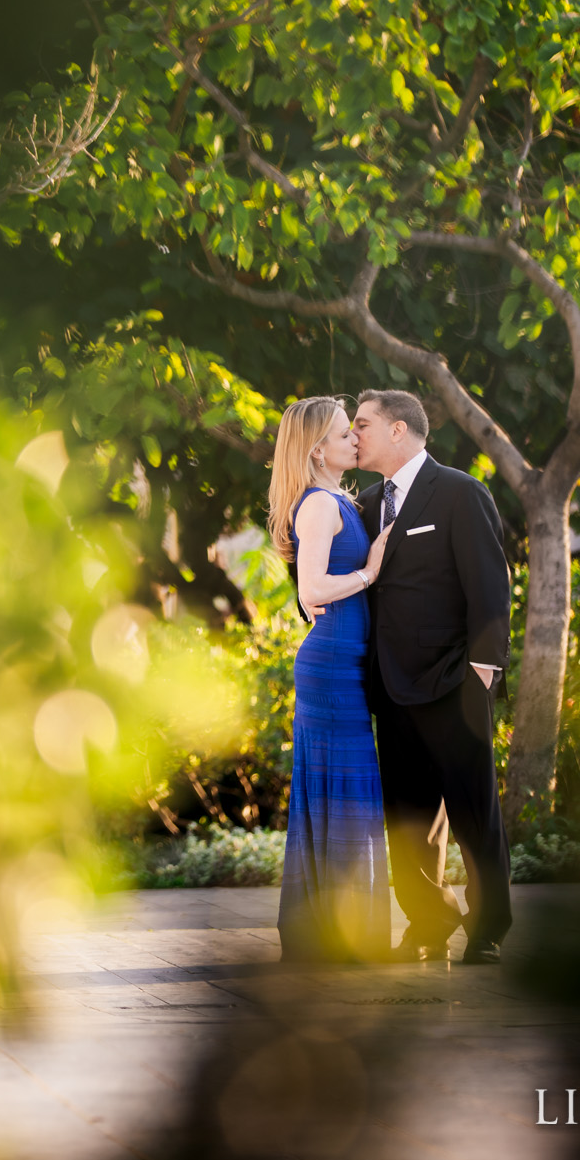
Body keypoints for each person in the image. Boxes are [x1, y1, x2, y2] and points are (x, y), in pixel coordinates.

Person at [351, 389, 514, 966]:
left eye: (363, 424)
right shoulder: (366, 503)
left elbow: (491, 586)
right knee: (408, 818)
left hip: (453, 683)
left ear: (399, 430)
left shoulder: (461, 493)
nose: (354, 435)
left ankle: (489, 927)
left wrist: (482, 670)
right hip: (390, 689)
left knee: (473, 812)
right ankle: (428, 921)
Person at [268, 396, 394, 961]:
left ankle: (338, 931)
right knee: (345, 795)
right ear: (318, 449)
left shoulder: (337, 500)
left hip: (344, 662)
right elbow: (312, 591)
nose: (355, 441)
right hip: (330, 668)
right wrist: (369, 572)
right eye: (346, 434)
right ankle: (336, 935)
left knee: (346, 795)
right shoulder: (319, 505)